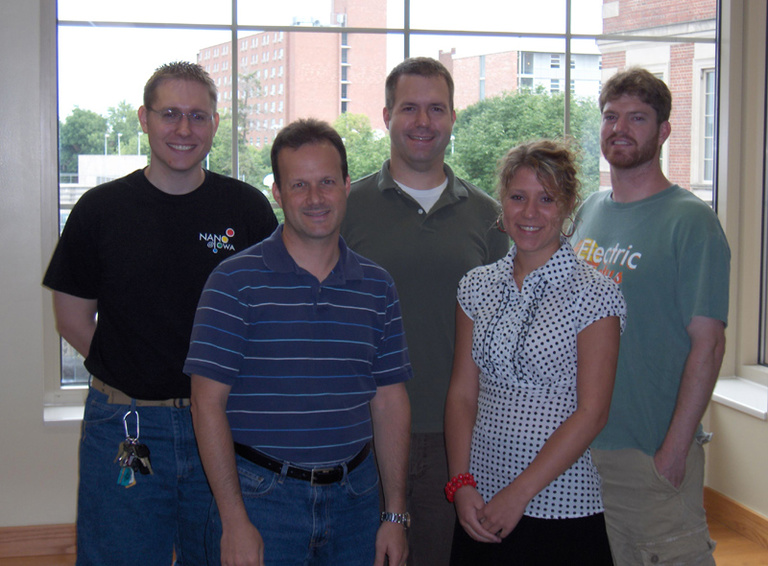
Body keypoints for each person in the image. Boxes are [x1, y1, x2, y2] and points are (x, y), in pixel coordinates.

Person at [42, 61, 278, 565]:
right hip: (125, 426)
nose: (184, 129)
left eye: (198, 115)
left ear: (215, 124)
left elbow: (269, 319)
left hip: (225, 429)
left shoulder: (246, 210)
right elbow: (72, 319)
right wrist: (136, 368)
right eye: (170, 113)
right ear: (144, 118)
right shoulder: (100, 210)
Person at [185, 118, 412, 566]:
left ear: (347, 185)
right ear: (278, 193)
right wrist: (234, 521)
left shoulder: (377, 286)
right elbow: (206, 404)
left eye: (327, 182)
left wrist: (395, 515)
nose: (315, 198)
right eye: (299, 185)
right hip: (261, 500)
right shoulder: (233, 282)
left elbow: (389, 402)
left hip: (357, 500)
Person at [341, 56, 509, 566]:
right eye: (409, 108)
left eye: (436, 108)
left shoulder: (489, 217)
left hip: (454, 434)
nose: (422, 121)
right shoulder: (345, 207)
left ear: (453, 116)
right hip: (359, 430)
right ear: (387, 113)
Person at [571, 67, 730, 565]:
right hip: (578, 448)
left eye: (637, 118)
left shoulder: (690, 221)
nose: (620, 128)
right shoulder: (589, 212)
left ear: (663, 131)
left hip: (647, 453)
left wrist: (675, 450)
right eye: (611, 116)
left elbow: (708, 343)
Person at [444, 140, 626, 566]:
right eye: (518, 197)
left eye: (547, 199)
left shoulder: (595, 294)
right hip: (480, 500)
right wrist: (460, 482)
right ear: (502, 204)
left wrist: (519, 494)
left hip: (561, 503)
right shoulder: (475, 286)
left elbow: (592, 412)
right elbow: (462, 394)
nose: (530, 213)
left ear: (567, 207)